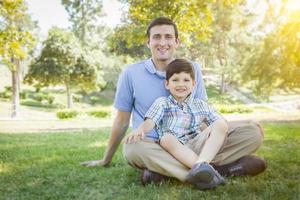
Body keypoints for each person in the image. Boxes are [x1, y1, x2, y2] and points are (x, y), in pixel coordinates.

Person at [81, 17, 266, 189]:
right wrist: (105, 159)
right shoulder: (131, 74)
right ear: (148, 42)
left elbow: (204, 117)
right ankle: (215, 171)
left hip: (192, 142)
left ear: (176, 42)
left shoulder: (192, 70)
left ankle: (167, 173)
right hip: (155, 145)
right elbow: (121, 121)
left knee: (253, 133)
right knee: (132, 148)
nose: (163, 42)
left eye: (168, 37)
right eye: (157, 37)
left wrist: (239, 125)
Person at [125, 58, 227, 189]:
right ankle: (209, 173)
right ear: (167, 84)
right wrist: (141, 129)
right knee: (166, 138)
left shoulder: (201, 105)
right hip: (172, 148)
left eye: (186, 80)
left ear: (193, 84)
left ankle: (201, 166)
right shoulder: (162, 103)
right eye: (175, 80)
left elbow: (219, 123)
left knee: (221, 124)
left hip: (197, 144)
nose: (181, 84)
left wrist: (219, 128)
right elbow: (151, 120)